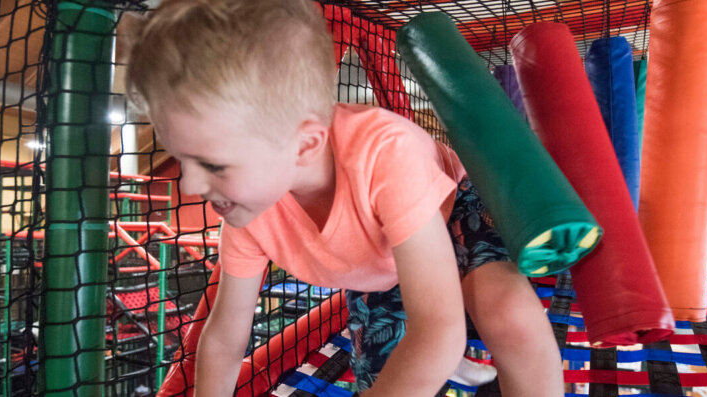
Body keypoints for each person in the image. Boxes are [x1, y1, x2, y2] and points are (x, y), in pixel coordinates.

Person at [126, 0, 562, 395]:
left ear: (304, 146)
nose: (189, 187)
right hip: (378, 265)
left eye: (214, 165)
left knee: (507, 312)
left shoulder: (386, 153)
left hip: (450, 214)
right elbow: (224, 335)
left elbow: (437, 328)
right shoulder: (246, 210)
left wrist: (441, 344)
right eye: (182, 159)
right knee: (381, 374)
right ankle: (455, 360)